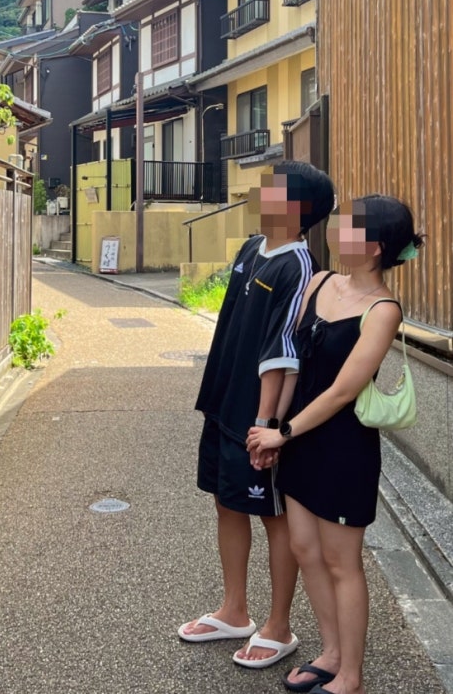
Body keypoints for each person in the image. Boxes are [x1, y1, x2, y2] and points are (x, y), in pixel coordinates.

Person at [246, 195, 423, 694]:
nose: (335, 231)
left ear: (374, 246)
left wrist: (283, 432)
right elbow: (292, 362)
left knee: (343, 561)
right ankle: (331, 653)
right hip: (299, 439)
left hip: (344, 448)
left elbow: (344, 391)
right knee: (305, 549)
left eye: (348, 226)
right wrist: (271, 425)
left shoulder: (383, 310)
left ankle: (351, 675)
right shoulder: (319, 282)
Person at [179, 161, 336, 669]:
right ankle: (234, 610)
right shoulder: (251, 248)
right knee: (226, 503)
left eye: (273, 188)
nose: (260, 192)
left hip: (257, 417)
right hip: (224, 401)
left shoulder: (299, 267)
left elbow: (284, 352)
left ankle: (279, 626)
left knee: (273, 516)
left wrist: (268, 425)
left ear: (296, 208)